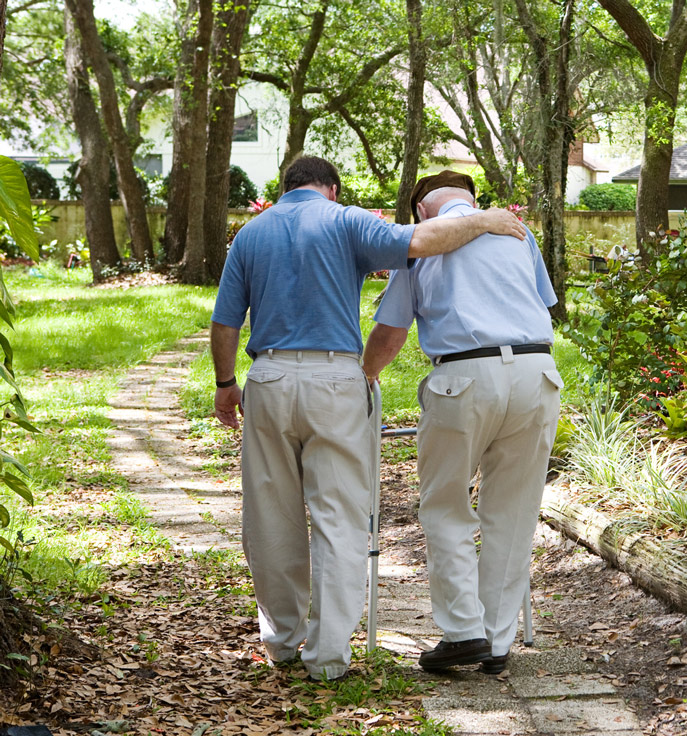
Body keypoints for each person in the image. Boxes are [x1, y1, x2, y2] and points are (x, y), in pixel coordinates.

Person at [210, 156, 527, 682]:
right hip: (335, 378)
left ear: (285, 188)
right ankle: (329, 656)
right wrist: (486, 220)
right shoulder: (346, 219)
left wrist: (226, 385)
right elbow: (421, 241)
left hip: (265, 378)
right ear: (330, 188)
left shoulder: (250, 234)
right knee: (339, 517)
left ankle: (283, 642)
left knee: (269, 515)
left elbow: (225, 321)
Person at [362, 170, 562, 675]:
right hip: (538, 372)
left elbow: (391, 334)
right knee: (513, 513)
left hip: (464, 376)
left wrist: (363, 377)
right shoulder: (517, 231)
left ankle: (463, 632)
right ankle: (496, 642)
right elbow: (544, 304)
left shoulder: (422, 243)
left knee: (446, 504)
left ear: (421, 211)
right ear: (472, 199)